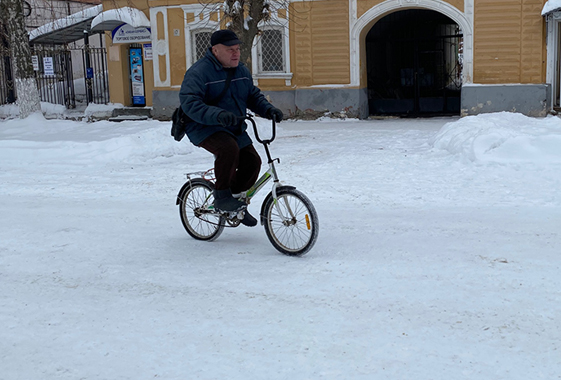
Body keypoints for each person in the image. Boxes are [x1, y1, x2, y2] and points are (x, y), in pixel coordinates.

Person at [179, 29, 283, 227]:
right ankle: (221, 196)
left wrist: (269, 110)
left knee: (253, 162)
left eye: (237, 49)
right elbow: (190, 103)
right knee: (228, 149)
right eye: (230, 50)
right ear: (215, 50)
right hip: (203, 126)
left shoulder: (241, 71)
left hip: (232, 125)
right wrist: (217, 114)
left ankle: (235, 203)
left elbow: (252, 96)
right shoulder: (199, 72)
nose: (236, 53)